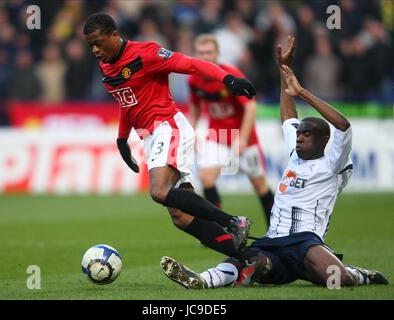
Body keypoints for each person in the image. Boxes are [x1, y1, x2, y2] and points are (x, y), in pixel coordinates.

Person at [160, 36, 388, 289]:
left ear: (324, 140)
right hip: (272, 242)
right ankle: (202, 279)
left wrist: (302, 93)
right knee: (244, 260)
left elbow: (344, 126)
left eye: (306, 134)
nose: (299, 137)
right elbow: (288, 116)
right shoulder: (295, 152)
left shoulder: (333, 163)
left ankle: (357, 274)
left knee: (337, 279)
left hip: (305, 242)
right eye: (299, 133)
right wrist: (284, 72)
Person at [83, 13, 256, 259]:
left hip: (169, 126)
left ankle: (234, 222)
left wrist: (227, 78)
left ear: (114, 35)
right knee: (181, 217)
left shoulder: (147, 54)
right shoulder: (105, 65)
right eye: (91, 45)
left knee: (158, 191)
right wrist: (122, 139)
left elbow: (192, 64)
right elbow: (127, 101)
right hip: (150, 137)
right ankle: (250, 258)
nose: (95, 49)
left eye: (99, 42)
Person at [188, 34, 274, 226]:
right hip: (216, 136)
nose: (205, 56)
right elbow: (194, 108)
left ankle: (276, 229)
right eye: (201, 52)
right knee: (206, 178)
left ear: (217, 53)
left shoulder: (230, 75)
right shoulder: (194, 79)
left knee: (259, 185)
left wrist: (242, 139)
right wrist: (191, 134)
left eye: (209, 52)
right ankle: (216, 228)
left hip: (244, 138)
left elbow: (251, 107)